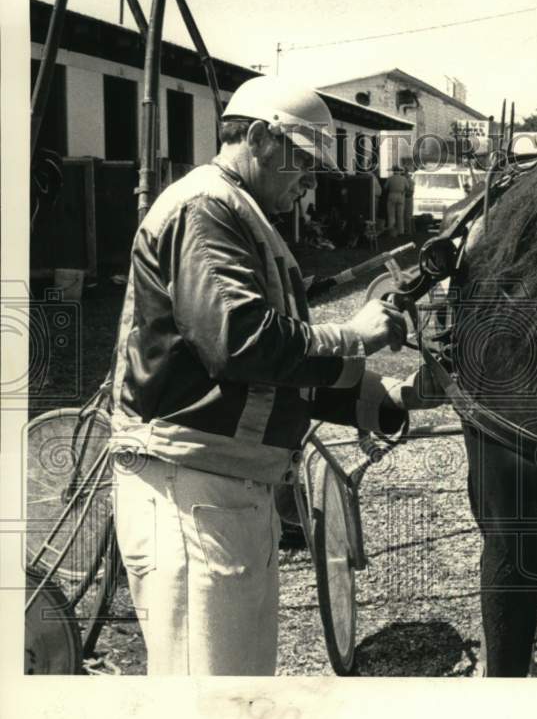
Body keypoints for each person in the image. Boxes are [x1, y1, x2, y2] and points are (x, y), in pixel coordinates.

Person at [107, 75, 443, 675]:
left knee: (242, 697)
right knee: (209, 713)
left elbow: (285, 373)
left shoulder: (242, 215)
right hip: (189, 487)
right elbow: (240, 342)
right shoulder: (206, 207)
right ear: (261, 137)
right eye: (304, 160)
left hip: (225, 491)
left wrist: (399, 395)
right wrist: (353, 334)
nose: (311, 179)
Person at [385, 165, 408, 236]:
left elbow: (385, 187)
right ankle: (401, 231)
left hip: (392, 195)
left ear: (393, 171)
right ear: (400, 171)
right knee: (400, 215)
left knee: (391, 215)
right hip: (400, 196)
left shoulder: (390, 178)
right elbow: (407, 187)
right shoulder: (403, 179)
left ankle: (392, 232)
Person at [403, 168, 415, 235]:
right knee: (407, 215)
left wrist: (404, 193)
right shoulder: (408, 180)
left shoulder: (410, 181)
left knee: (407, 215)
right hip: (407, 198)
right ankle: (409, 230)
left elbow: (411, 192)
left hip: (408, 199)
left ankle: (409, 231)